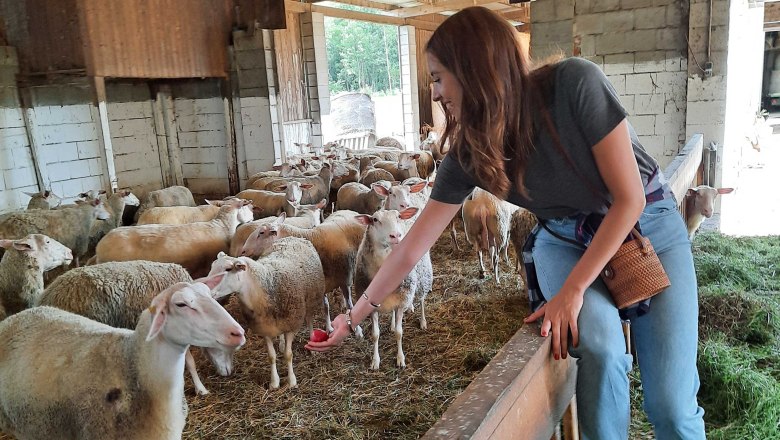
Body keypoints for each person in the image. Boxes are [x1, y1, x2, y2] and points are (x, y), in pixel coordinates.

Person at [306, 6, 705, 439]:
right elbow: (410, 247)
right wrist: (354, 315)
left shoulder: (574, 85)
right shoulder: (468, 154)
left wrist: (572, 291)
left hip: (648, 226)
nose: (436, 92)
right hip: (565, 240)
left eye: (439, 76)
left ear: (474, 67)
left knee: (671, 406)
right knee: (601, 347)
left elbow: (628, 199)